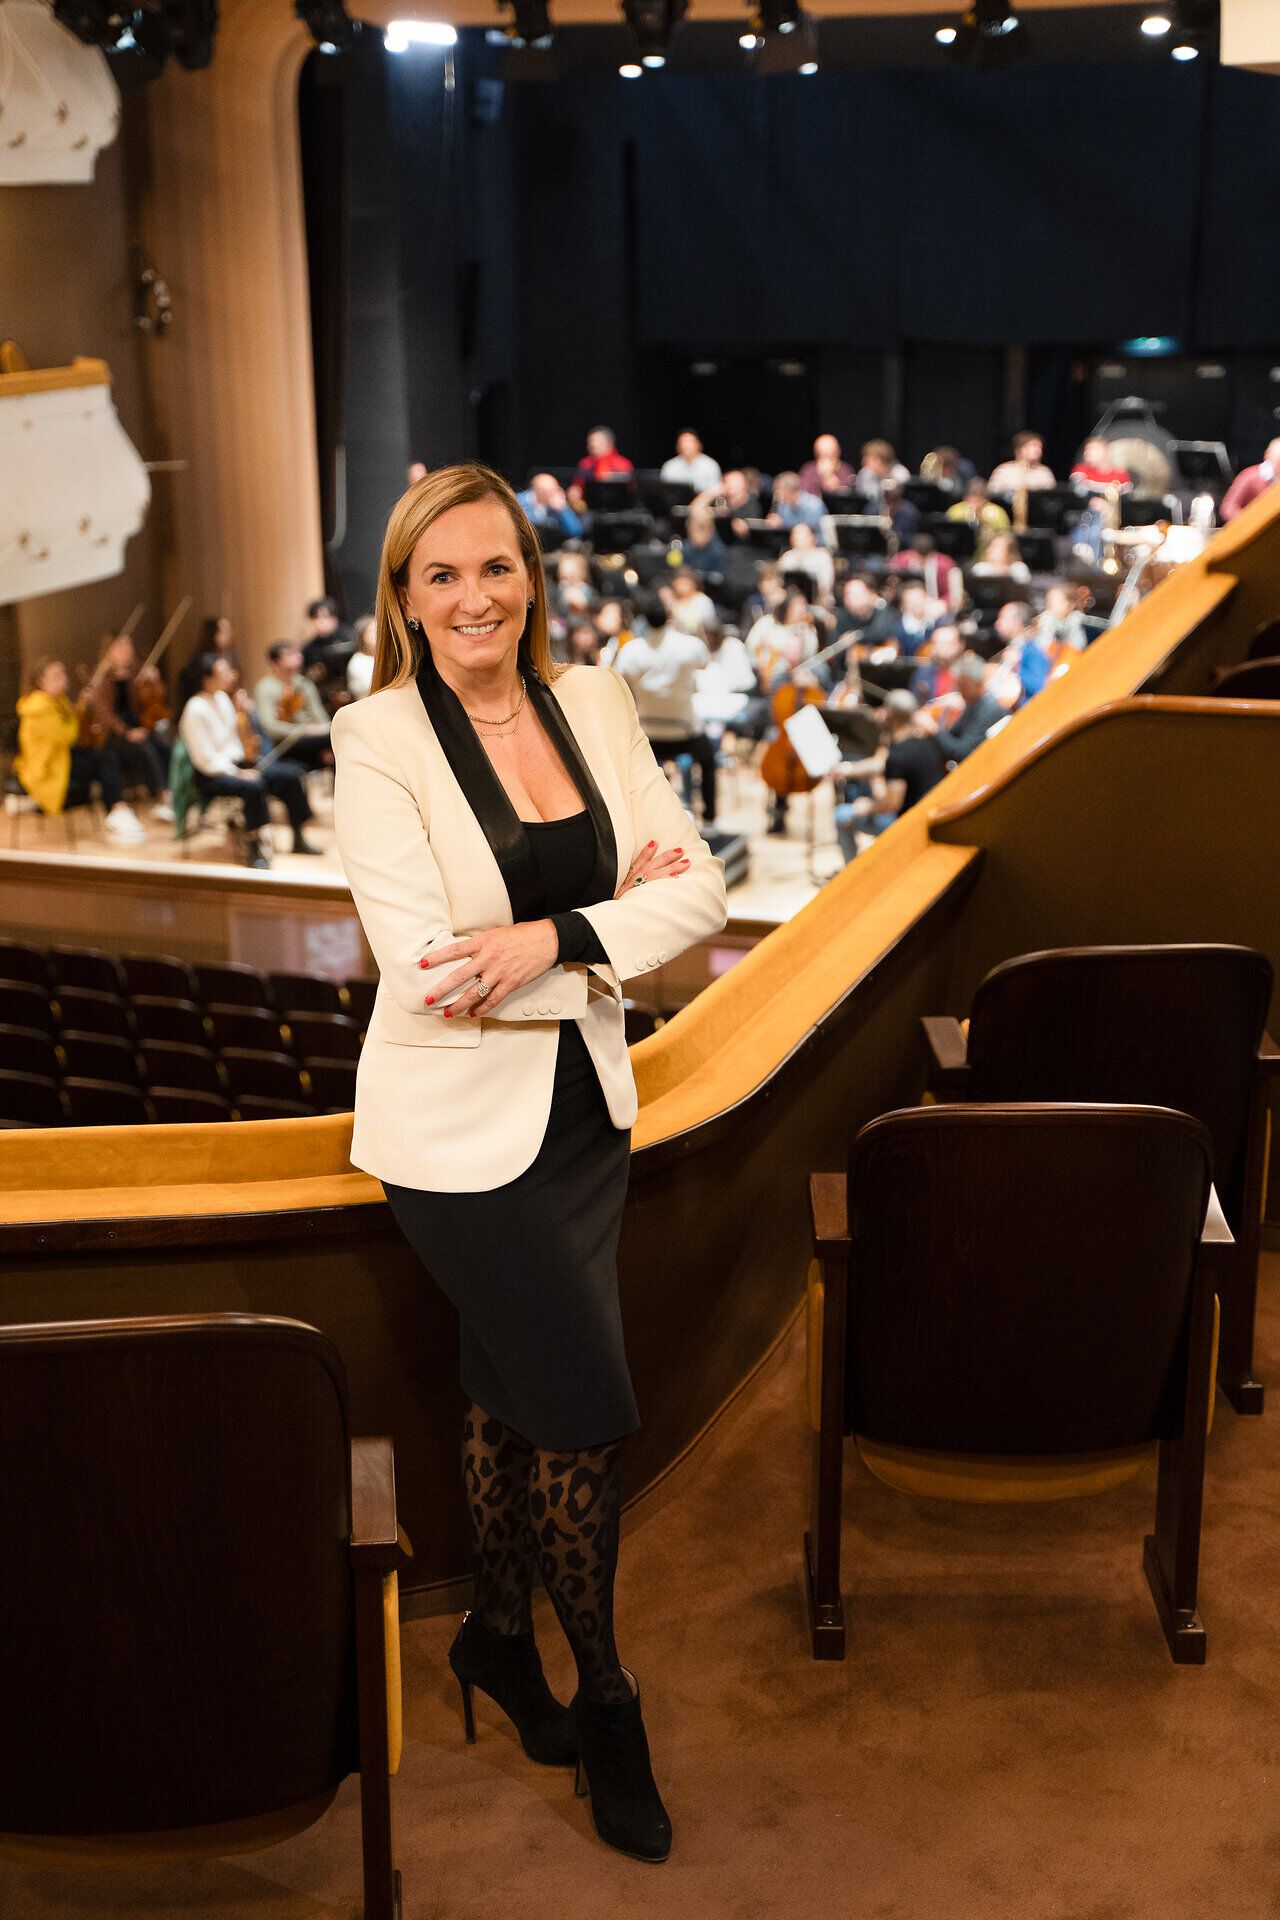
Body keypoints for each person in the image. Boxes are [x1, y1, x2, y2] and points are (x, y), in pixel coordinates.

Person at [330, 464, 727, 1865]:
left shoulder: (600, 704)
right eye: (440, 575)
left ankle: (497, 1643)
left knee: (508, 1397)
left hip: (583, 1116)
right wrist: (609, 923)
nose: (472, 597)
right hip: (452, 1139)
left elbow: (704, 890)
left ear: (533, 579)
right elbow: (435, 973)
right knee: (582, 1412)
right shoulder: (373, 735)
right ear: (404, 598)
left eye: (495, 568)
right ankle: (607, 1696)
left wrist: (550, 940)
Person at [178, 653, 318, 866]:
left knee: (290, 775)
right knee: (252, 786)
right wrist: (237, 773)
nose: (230, 675)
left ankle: (298, 838)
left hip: (238, 764)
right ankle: (255, 848)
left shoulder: (222, 698)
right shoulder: (195, 709)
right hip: (212, 774)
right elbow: (204, 759)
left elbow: (236, 741)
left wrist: (246, 714)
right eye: (223, 671)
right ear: (206, 679)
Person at [614, 592, 719, 827]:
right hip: (684, 731)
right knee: (708, 759)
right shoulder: (691, 646)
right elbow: (705, 663)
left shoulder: (630, 651)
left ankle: (637, 820)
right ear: (669, 616)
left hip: (648, 733)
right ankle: (710, 817)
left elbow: (621, 685)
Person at [14, 657, 144, 842]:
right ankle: (117, 808)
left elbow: (71, 725)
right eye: (56, 675)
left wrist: (81, 707)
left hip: (62, 759)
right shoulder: (38, 707)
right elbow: (69, 735)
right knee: (103, 760)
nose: (62, 678)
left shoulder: (57, 700)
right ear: (41, 681)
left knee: (105, 755)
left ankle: (117, 808)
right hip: (49, 769)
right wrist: (81, 709)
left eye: (62, 673)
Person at [831, 689, 946, 861]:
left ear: (889, 715)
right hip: (932, 814)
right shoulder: (926, 741)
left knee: (841, 814)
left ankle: (852, 872)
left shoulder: (898, 756)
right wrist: (846, 769)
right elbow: (880, 764)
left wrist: (865, 806)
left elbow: (892, 803)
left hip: (909, 823)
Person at [89, 632, 174, 819]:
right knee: (144, 749)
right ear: (108, 652)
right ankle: (163, 796)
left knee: (164, 746)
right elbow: (105, 714)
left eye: (128, 645)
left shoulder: (137, 672)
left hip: (139, 727)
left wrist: (153, 680)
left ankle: (171, 791)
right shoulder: (101, 678)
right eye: (120, 647)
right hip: (116, 734)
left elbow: (151, 701)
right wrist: (127, 732)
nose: (126, 650)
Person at [255, 641, 333, 771]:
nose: (298, 657)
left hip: (315, 738)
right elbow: (270, 726)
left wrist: (326, 729)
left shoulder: (304, 683)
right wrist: (304, 730)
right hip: (288, 743)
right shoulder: (266, 687)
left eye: (297, 653)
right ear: (276, 662)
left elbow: (319, 715)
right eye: (290, 654)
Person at [915, 652, 1005, 761]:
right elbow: (953, 735)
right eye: (958, 686)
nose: (961, 692)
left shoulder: (991, 709)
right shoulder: (972, 702)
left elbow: (964, 752)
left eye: (964, 686)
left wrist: (934, 729)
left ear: (979, 683)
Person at [835, 575, 901, 655]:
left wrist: (855, 636)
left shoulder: (883, 610)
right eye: (847, 594)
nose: (850, 598)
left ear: (872, 594)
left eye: (856, 594)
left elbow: (880, 632)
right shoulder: (842, 615)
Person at [1220, 437, 1280, 522]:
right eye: (1278, 459)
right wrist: (1247, 521)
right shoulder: (1250, 476)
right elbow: (1228, 506)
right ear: (1267, 455)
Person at [947, 477, 1011, 551]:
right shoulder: (955, 511)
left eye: (979, 502)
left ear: (986, 500)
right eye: (970, 501)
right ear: (965, 498)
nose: (974, 506)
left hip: (987, 556)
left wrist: (991, 535)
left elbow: (1006, 538)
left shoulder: (996, 513)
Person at [301, 597, 357, 681]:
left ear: (334, 618)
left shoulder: (350, 636)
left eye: (324, 616)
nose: (319, 621)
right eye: (315, 617)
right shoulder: (308, 649)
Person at [518, 473, 585, 542]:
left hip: (550, 548)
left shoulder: (557, 507)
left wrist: (563, 510)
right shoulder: (519, 501)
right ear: (539, 491)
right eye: (551, 491)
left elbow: (575, 531)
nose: (555, 494)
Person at [780, 522, 834, 601]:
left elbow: (825, 585)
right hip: (791, 602)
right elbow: (780, 581)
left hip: (818, 601)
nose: (796, 538)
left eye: (801, 535)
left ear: (812, 537)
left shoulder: (823, 556)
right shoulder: (788, 557)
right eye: (794, 535)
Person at [989, 432, 1056, 495]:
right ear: (1020, 449)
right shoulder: (1003, 471)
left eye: (1040, 447)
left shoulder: (1044, 472)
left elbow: (1050, 497)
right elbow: (992, 494)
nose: (1038, 450)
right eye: (1033, 446)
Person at [768, 472, 827, 541]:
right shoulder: (784, 505)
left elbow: (808, 530)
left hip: (816, 545)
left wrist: (782, 524)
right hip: (794, 544)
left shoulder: (813, 504)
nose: (776, 493)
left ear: (789, 490)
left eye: (778, 489)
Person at [660, 431, 722, 495]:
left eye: (690, 442)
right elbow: (665, 492)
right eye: (682, 443)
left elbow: (715, 492)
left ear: (699, 445)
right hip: (676, 503)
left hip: (703, 503)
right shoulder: (669, 466)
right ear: (677, 447)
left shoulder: (711, 465)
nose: (685, 445)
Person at [855, 439, 910, 511]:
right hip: (874, 509)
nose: (863, 461)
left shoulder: (900, 473)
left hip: (898, 509)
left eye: (867, 458)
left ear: (878, 460)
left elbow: (900, 496)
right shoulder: (865, 474)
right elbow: (864, 497)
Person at [661, 568, 718, 638]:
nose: (682, 588)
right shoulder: (672, 601)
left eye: (685, 584)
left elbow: (710, 625)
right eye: (679, 584)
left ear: (693, 584)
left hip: (700, 638)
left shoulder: (703, 600)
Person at [681, 503, 729, 578]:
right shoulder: (685, 548)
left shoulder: (717, 551)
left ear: (710, 531)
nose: (696, 536)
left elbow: (718, 579)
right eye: (693, 531)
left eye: (700, 531)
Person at [347, 614, 378, 698]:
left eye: (379, 629)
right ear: (362, 636)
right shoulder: (358, 661)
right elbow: (373, 688)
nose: (378, 634)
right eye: (372, 631)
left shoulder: (385, 657)